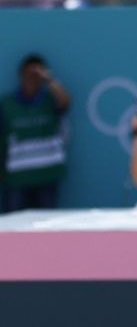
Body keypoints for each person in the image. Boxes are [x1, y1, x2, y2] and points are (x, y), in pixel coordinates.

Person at [1, 54, 70, 212]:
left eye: (36, 75)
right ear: (21, 75)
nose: (32, 79)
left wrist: (49, 79)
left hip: (47, 175)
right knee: (13, 224)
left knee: (46, 223)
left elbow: (66, 102)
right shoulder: (6, 104)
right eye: (28, 74)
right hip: (16, 177)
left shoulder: (51, 100)